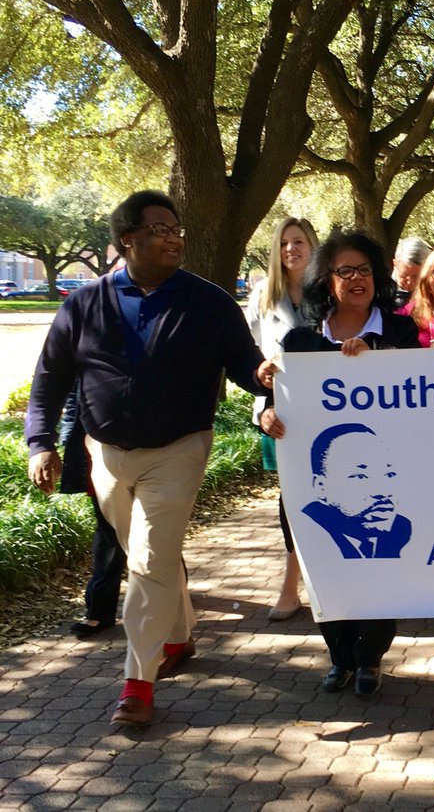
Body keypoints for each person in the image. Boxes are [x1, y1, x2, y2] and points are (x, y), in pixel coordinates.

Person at [25, 190, 272, 728]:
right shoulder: (83, 305)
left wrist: (263, 376)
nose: (174, 237)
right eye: (160, 229)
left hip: (179, 449)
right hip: (106, 454)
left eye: (177, 228)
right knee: (145, 554)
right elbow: (50, 379)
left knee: (149, 559)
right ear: (127, 239)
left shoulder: (208, 302)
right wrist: (40, 442)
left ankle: (137, 683)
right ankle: (178, 636)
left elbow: (244, 363)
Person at [260, 230, 420, 699]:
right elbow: (276, 404)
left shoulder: (399, 332)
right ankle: (339, 657)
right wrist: (267, 415)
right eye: (344, 271)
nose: (355, 279)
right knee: (324, 569)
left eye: (363, 270)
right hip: (316, 487)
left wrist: (377, 361)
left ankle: (369, 658)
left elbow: (419, 388)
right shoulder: (301, 340)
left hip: (384, 484)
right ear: (326, 281)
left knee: (379, 569)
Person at [246, 216, 319, 621]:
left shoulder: (327, 291)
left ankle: (329, 580)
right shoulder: (262, 296)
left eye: (299, 241)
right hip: (280, 414)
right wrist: (261, 390)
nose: (291, 249)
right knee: (291, 497)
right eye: (285, 243)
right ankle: (290, 587)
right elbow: (249, 357)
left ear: (312, 246)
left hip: (326, 409)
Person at [61, 385, 127, 639]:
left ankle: (173, 597)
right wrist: (66, 441)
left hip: (152, 456)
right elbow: (72, 399)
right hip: (97, 458)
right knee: (108, 536)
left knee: (156, 532)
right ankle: (99, 612)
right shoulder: (82, 361)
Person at [303, 424, 411, 559]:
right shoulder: (305, 530)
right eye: (361, 476)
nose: (383, 491)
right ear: (321, 486)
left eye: (389, 474)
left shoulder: (402, 533)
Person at [392, 237, 432, 307]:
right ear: (395, 264)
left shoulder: (432, 294)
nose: (409, 282)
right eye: (404, 276)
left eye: (415, 277)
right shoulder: (379, 291)